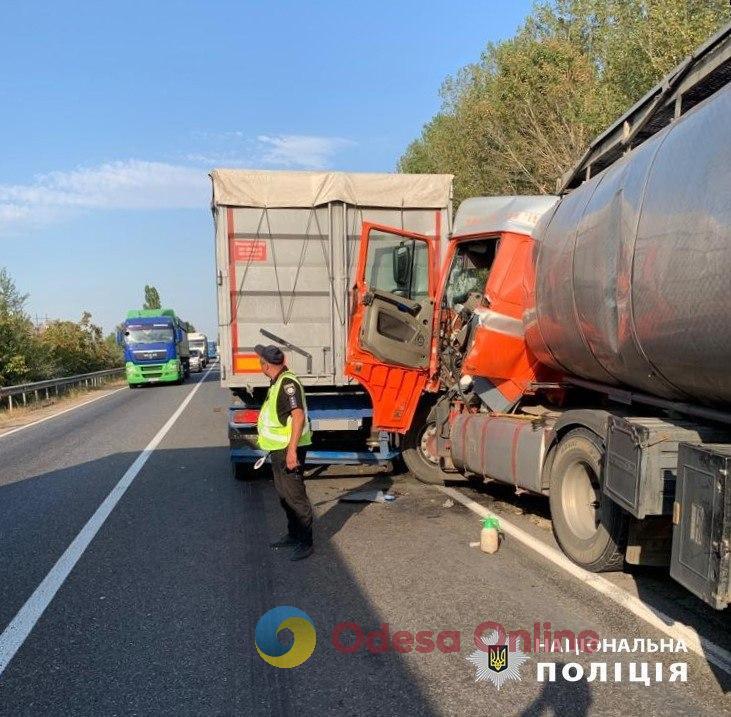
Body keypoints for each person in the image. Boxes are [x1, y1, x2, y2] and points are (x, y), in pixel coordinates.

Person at [255, 344, 314, 561]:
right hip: (278, 449)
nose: (258, 363)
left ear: (266, 365)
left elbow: (297, 416)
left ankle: (306, 542)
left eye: (260, 360)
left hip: (289, 449)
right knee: (284, 495)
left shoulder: (288, 383)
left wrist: (291, 452)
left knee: (295, 496)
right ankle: (293, 534)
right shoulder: (277, 381)